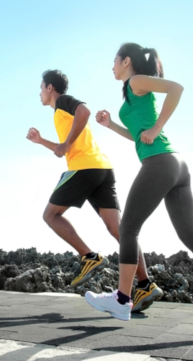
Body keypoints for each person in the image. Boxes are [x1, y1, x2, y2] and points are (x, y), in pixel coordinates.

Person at [86, 43, 193, 332]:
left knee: (127, 228)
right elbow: (139, 136)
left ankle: (121, 299)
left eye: (114, 60)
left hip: (160, 163)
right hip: (174, 164)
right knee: (190, 234)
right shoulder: (132, 90)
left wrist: (157, 128)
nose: (112, 66)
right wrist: (111, 126)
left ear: (126, 61)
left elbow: (176, 88)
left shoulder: (136, 80)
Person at [27, 69, 162, 312]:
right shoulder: (61, 115)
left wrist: (67, 143)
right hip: (102, 169)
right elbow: (63, 149)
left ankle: (89, 257)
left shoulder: (63, 102)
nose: (39, 93)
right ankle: (145, 284)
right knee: (120, 231)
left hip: (84, 168)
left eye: (41, 88)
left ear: (50, 88)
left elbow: (84, 111)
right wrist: (42, 141)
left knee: (50, 215)